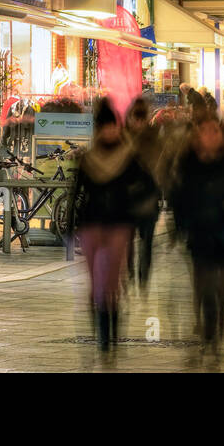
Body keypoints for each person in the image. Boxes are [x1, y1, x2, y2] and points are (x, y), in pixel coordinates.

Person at [69, 99, 159, 355]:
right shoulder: (87, 158)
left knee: (110, 281)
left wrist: (139, 207)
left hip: (119, 223)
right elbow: (77, 193)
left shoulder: (129, 157)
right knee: (94, 282)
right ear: (99, 130)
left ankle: (110, 330)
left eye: (113, 127)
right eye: (105, 127)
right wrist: (69, 225)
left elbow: (150, 186)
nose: (110, 132)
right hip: (91, 223)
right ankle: (99, 329)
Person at [168, 112, 224, 365]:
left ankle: (218, 339)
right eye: (204, 131)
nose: (210, 136)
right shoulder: (188, 163)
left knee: (223, 291)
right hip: (200, 235)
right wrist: (181, 226)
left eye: (215, 131)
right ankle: (207, 337)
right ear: (196, 137)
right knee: (205, 291)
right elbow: (178, 199)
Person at [125, 97, 164, 290]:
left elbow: (159, 168)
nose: (139, 122)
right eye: (136, 118)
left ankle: (143, 274)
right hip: (129, 196)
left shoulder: (154, 138)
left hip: (149, 195)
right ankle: (132, 271)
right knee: (128, 238)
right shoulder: (124, 137)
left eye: (141, 118)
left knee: (146, 239)